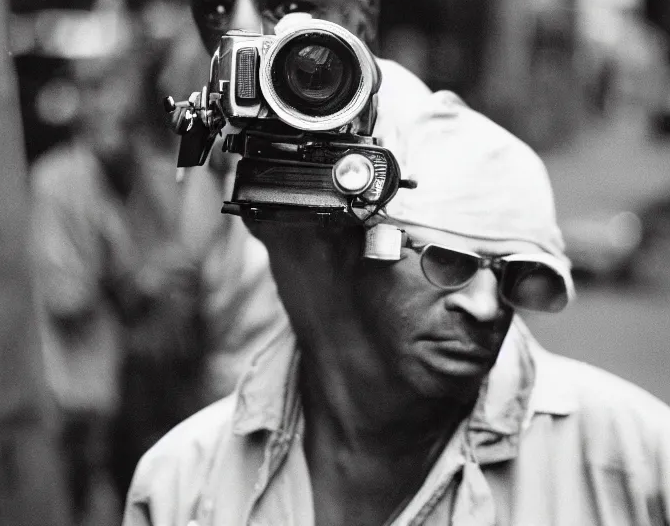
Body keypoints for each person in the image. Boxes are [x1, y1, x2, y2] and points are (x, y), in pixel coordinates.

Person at [124, 90, 670, 525]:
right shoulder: (184, 483)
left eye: (516, 277)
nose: (485, 307)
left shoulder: (637, 456)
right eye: (448, 263)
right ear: (356, 251)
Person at [170, 0, 432, 406]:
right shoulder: (216, 128)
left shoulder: (420, 142)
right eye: (216, 6)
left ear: (362, 17)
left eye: (288, 3)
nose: (241, 31)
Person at [30, 31, 205, 523]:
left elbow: (189, 269)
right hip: (88, 404)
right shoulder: (58, 182)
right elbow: (65, 299)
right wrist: (138, 281)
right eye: (99, 94)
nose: (113, 120)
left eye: (125, 110)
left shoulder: (156, 173)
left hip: (159, 396)